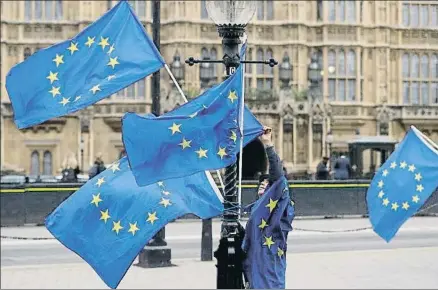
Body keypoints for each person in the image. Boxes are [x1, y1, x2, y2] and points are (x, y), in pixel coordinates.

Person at [256, 126, 284, 197]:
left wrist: (267, 142)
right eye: (262, 182)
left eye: (267, 182)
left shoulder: (277, 203)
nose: (262, 183)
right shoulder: (253, 207)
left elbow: (276, 171)